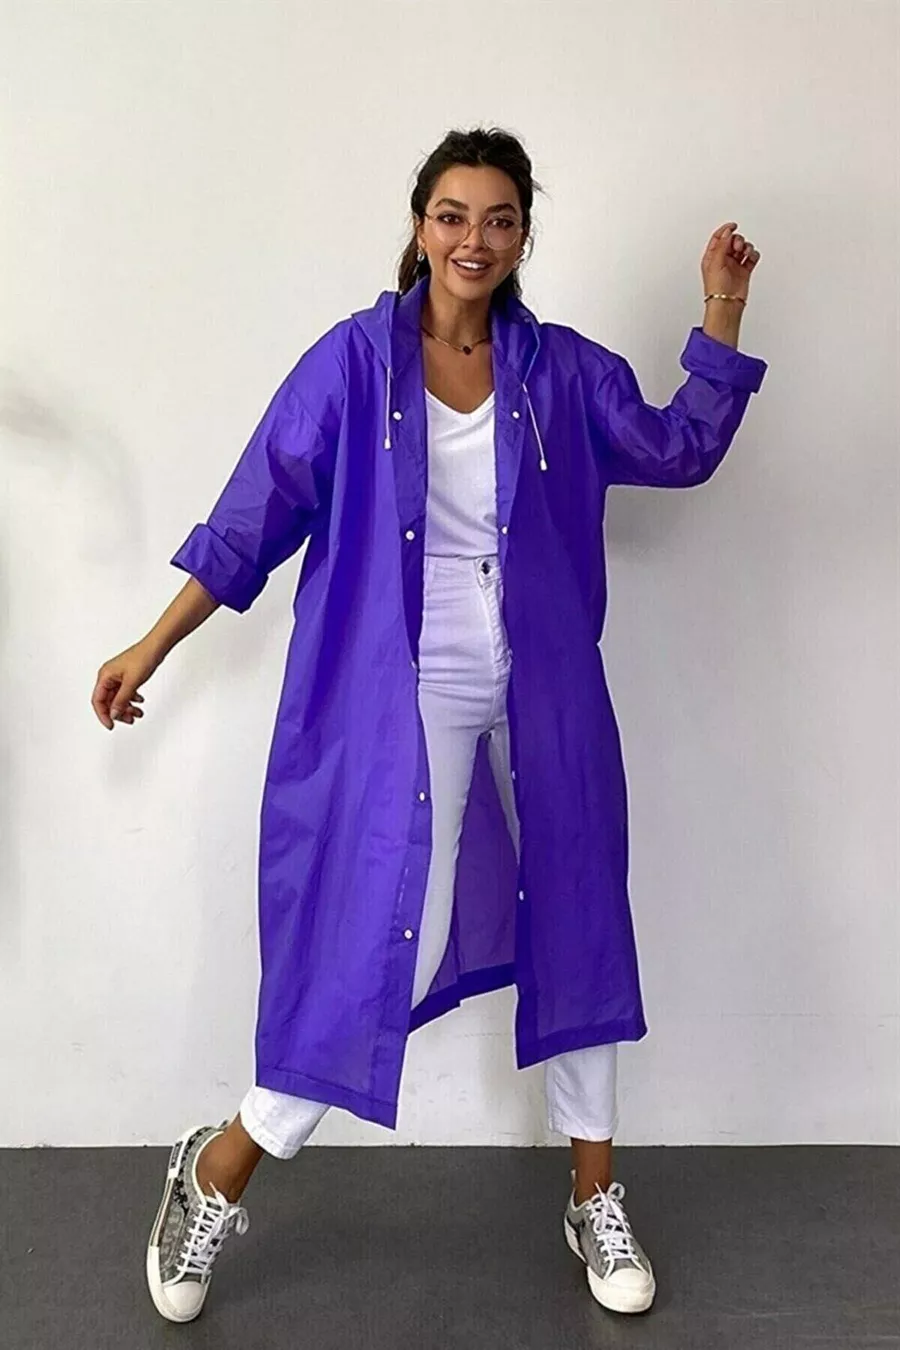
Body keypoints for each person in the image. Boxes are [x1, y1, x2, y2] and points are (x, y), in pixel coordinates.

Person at [91, 125, 766, 1324]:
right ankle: (220, 1166)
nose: (474, 239)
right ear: (419, 227)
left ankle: (594, 1194)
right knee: (385, 930)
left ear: (522, 239)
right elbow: (252, 516)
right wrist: (154, 642)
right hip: (406, 680)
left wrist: (721, 310)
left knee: (579, 906)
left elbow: (678, 447)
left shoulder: (559, 370)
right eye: (453, 216)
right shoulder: (353, 366)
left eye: (499, 220)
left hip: (544, 670)